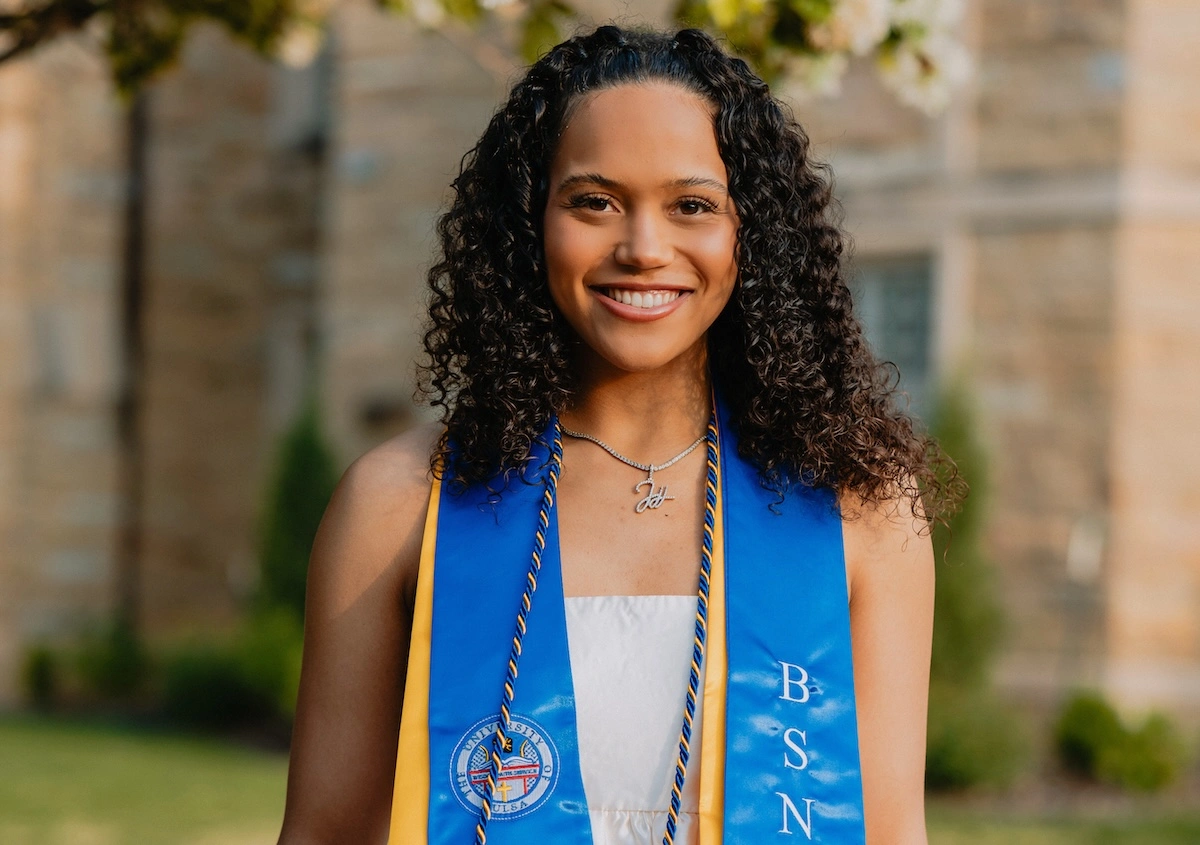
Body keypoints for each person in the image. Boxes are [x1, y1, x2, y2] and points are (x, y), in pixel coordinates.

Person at [277, 24, 959, 845]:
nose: (643, 248)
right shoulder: (399, 503)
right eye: (594, 201)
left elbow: (890, 831)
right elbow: (325, 832)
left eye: (692, 206)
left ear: (753, 233)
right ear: (530, 220)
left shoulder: (857, 508)